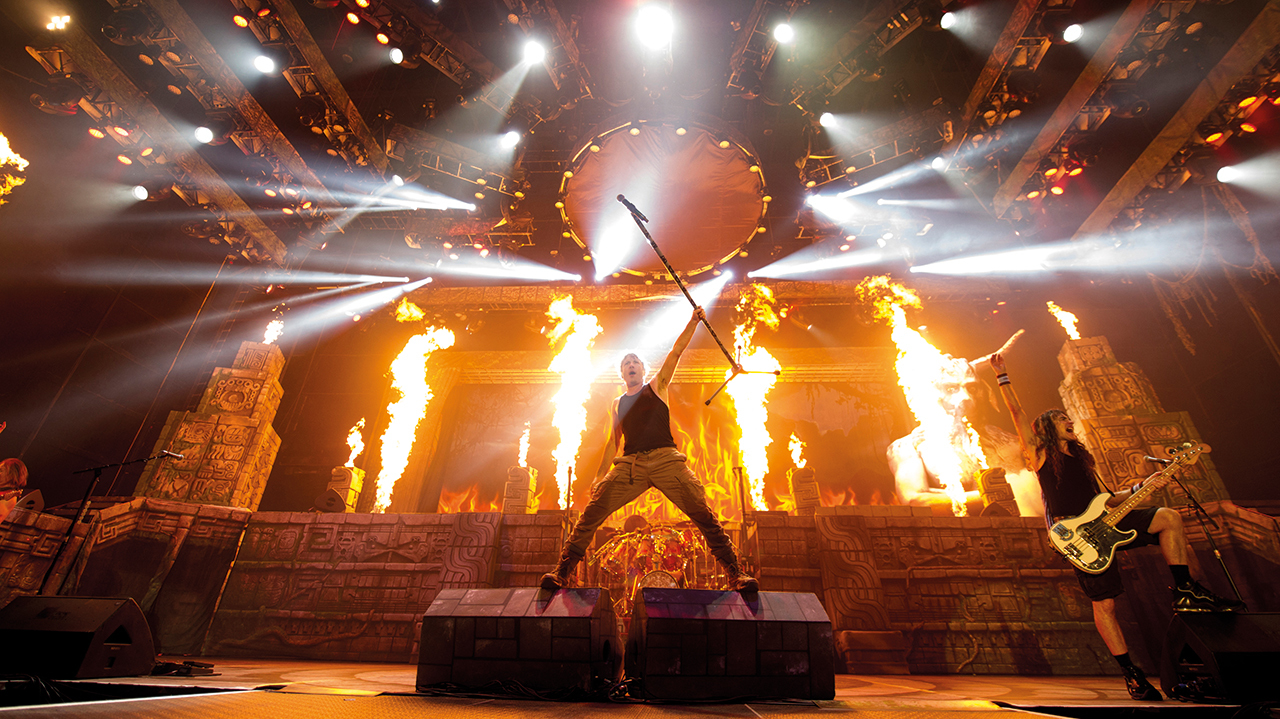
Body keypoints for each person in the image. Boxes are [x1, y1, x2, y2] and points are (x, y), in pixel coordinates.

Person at [988, 353, 1242, 701]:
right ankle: (1132, 674)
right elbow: (1017, 414)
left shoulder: (1082, 459)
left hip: (1107, 521)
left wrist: (1144, 485)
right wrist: (1003, 376)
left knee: (1168, 517)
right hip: (1077, 535)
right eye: (1061, 418)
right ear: (1046, 427)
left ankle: (1185, 589)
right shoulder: (1041, 454)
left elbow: (1106, 499)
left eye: (1067, 416)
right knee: (1105, 605)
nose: (1068, 420)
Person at [541, 306, 759, 593]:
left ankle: (736, 574)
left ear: (642, 370)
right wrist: (598, 476)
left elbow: (676, 352)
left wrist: (693, 321)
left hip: (666, 460)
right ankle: (563, 572)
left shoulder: (657, 386)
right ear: (622, 372)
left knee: (703, 514)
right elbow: (612, 443)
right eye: (626, 363)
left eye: (635, 362)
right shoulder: (617, 404)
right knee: (591, 514)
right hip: (630, 465)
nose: (631, 365)